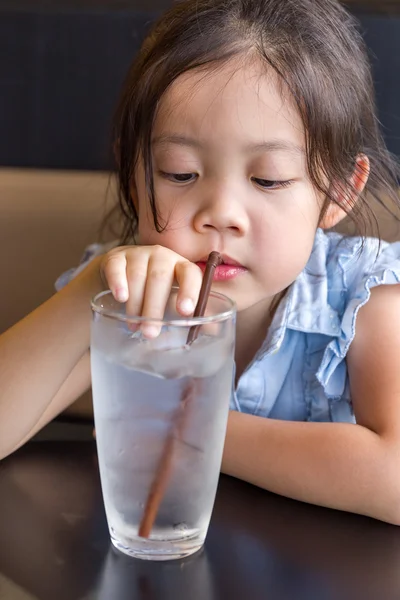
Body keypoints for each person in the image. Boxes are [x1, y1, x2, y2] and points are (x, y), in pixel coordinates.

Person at [2, 0, 400, 524]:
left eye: (268, 180)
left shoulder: (365, 294)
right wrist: (88, 294)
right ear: (133, 175)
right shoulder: (128, 295)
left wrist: (187, 425)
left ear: (340, 191)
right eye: (180, 173)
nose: (221, 215)